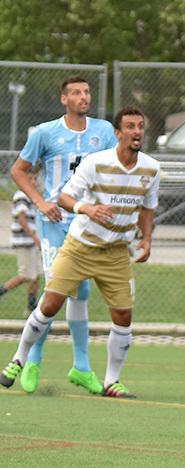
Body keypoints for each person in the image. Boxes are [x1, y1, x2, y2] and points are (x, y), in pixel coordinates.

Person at [0, 108, 157, 398]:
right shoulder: (95, 163)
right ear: (117, 133)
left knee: (123, 314)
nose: (137, 132)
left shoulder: (151, 168)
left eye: (141, 126)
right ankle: (18, 360)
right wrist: (87, 208)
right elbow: (63, 197)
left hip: (116, 251)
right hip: (81, 245)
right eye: (130, 126)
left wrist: (146, 239)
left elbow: (148, 208)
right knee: (50, 304)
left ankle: (111, 381)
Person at [7, 76, 116, 394]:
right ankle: (33, 360)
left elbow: (112, 170)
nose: (84, 97)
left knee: (81, 291)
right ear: (63, 99)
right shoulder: (45, 133)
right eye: (77, 93)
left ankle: (81, 367)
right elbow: (18, 170)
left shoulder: (104, 131)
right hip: (55, 222)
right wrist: (40, 202)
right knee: (56, 289)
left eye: (87, 92)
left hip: (87, 223)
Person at [1, 190, 41, 315]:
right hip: (24, 241)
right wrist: (35, 238)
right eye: (30, 177)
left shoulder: (31, 195)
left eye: (35, 178)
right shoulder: (21, 195)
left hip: (31, 242)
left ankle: (31, 307)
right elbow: (22, 220)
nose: (34, 181)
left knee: (36, 275)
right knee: (25, 275)